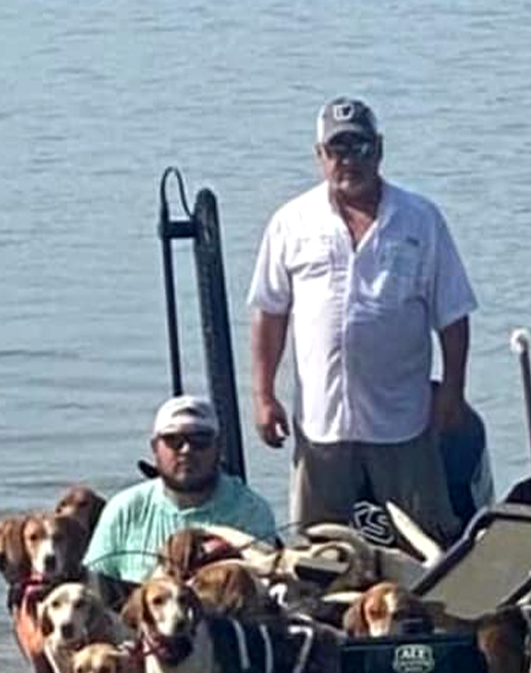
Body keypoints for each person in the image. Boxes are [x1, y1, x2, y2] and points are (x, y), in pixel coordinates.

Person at [247, 96, 477, 544]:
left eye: (360, 147)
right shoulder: (291, 222)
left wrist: (452, 391)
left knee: (422, 545)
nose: (349, 160)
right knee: (319, 552)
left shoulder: (421, 219)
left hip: (403, 422)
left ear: (380, 148)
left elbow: (453, 315)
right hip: (321, 423)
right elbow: (270, 313)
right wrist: (263, 395)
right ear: (320, 156)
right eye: (337, 150)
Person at [83, 395, 278, 584]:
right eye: (173, 440)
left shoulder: (251, 509)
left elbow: (263, 584)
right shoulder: (124, 508)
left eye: (200, 440)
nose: (186, 450)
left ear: (219, 446)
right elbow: (95, 584)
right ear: (155, 448)